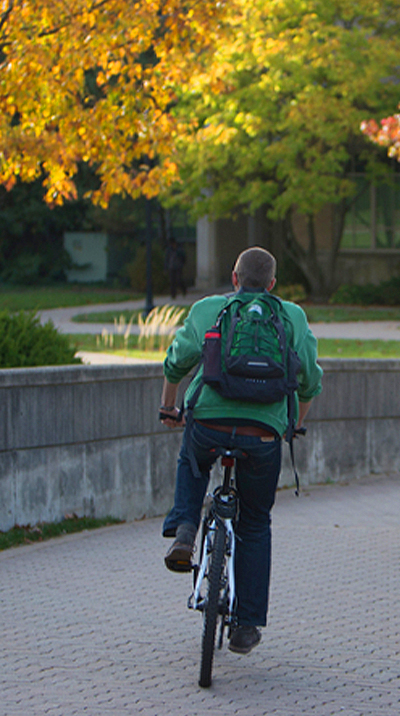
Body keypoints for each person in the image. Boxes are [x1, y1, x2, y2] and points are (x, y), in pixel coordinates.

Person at [158, 246, 322, 655]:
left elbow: (177, 361)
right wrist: (294, 424)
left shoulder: (210, 309)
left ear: (234, 280)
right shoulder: (291, 316)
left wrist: (168, 405)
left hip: (209, 422)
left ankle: (184, 529)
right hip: (263, 435)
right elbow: (309, 380)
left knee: (192, 457)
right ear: (272, 285)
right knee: (253, 524)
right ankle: (247, 626)